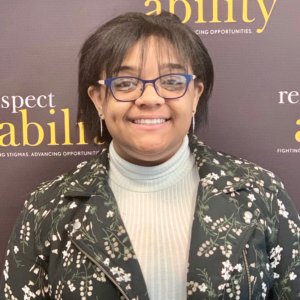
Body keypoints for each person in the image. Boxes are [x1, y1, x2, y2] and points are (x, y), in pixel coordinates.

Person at [1, 11, 299, 300]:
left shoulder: (260, 194)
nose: (150, 98)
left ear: (195, 94)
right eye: (125, 83)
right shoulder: (47, 210)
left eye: (171, 81)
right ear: (98, 99)